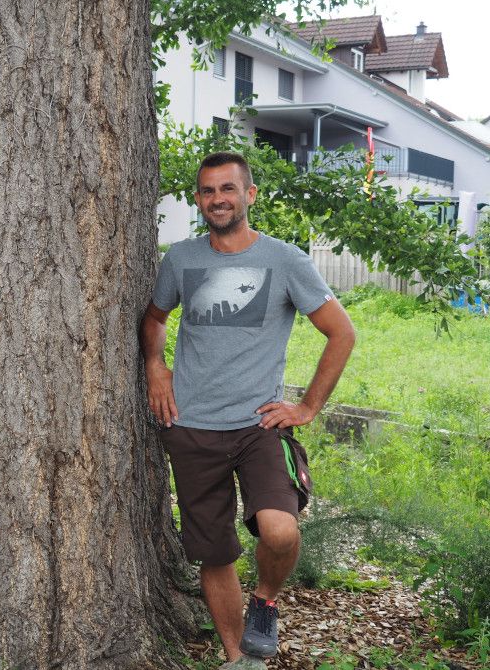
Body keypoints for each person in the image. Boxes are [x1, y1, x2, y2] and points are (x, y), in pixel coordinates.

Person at [140, 152, 355, 668]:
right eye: (209, 191)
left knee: (280, 530)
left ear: (249, 195)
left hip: (259, 425)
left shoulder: (285, 261)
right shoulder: (182, 259)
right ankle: (241, 658)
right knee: (214, 552)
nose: (218, 199)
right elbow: (154, 317)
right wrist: (156, 366)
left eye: (228, 189)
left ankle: (265, 602)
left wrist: (307, 406)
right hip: (189, 426)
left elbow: (341, 332)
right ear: (199, 199)